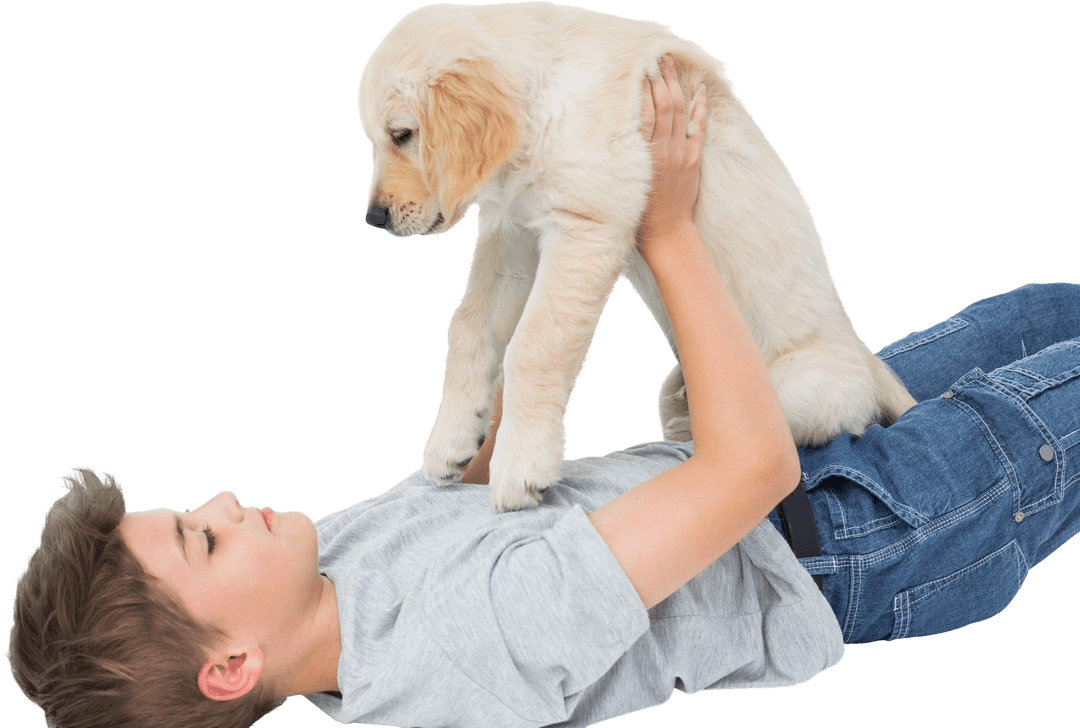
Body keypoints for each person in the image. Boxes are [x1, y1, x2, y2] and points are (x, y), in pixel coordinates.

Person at [6, 58, 1080, 728]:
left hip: (813, 446)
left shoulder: (329, 561)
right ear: (232, 663)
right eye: (203, 539)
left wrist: (527, 214)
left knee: (1044, 308)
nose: (227, 499)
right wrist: (657, 225)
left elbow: (487, 471)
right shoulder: (466, 648)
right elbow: (751, 472)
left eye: (190, 509)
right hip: (868, 531)